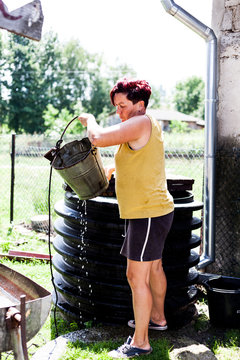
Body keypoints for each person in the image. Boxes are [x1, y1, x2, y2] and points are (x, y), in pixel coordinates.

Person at [78, 78, 174, 358]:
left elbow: (96, 138)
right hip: (154, 211)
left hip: (147, 214)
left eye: (122, 105)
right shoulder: (146, 124)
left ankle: (140, 342)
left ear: (139, 105)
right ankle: (157, 319)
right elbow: (140, 159)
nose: (118, 111)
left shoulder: (140, 121)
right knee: (154, 268)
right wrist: (113, 170)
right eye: (116, 107)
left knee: (136, 276)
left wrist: (91, 119)